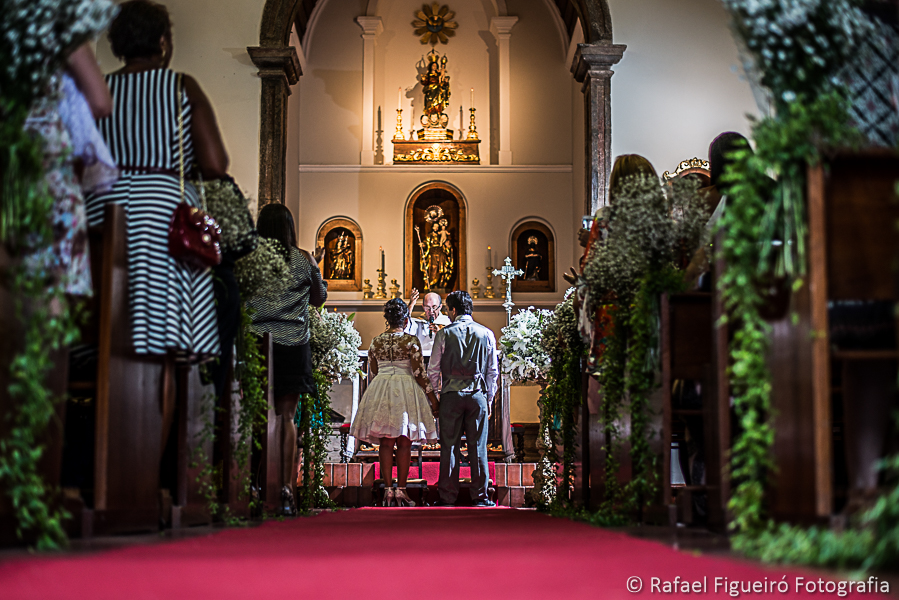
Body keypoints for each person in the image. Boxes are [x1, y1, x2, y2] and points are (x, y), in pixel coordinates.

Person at [84, 0, 228, 360]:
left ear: (117, 44)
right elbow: (215, 164)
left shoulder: (96, 91)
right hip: (162, 219)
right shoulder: (181, 86)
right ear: (163, 41)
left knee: (104, 325)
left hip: (101, 210)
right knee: (168, 341)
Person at [248, 203, 327, 515]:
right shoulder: (303, 258)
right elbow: (319, 298)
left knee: (257, 416)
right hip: (293, 344)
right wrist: (316, 266)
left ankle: (255, 487)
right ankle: (284, 487)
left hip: (256, 341)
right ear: (290, 228)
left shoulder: (250, 258)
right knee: (286, 416)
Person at [350, 298, 439, 507]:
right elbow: (419, 373)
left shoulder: (376, 341)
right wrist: (433, 399)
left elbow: (373, 368)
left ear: (387, 319)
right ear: (406, 320)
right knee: (404, 440)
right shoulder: (410, 341)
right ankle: (402, 490)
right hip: (405, 388)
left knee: (386, 441)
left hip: (381, 388)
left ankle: (388, 491)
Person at [428, 290, 499, 507]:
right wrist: (487, 399)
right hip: (477, 393)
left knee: (449, 446)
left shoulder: (444, 334)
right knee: (478, 446)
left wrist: (437, 396)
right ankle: (480, 497)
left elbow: (433, 370)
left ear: (454, 309)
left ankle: (447, 497)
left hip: (451, 394)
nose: (447, 314)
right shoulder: (486, 333)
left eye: (448, 309)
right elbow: (492, 371)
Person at [404, 288, 452, 356]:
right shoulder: (419, 321)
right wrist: (411, 304)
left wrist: (439, 334)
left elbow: (452, 346)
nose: (431, 311)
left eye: (434, 307)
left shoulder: (448, 322)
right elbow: (405, 325)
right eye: (427, 307)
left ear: (440, 306)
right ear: (423, 307)